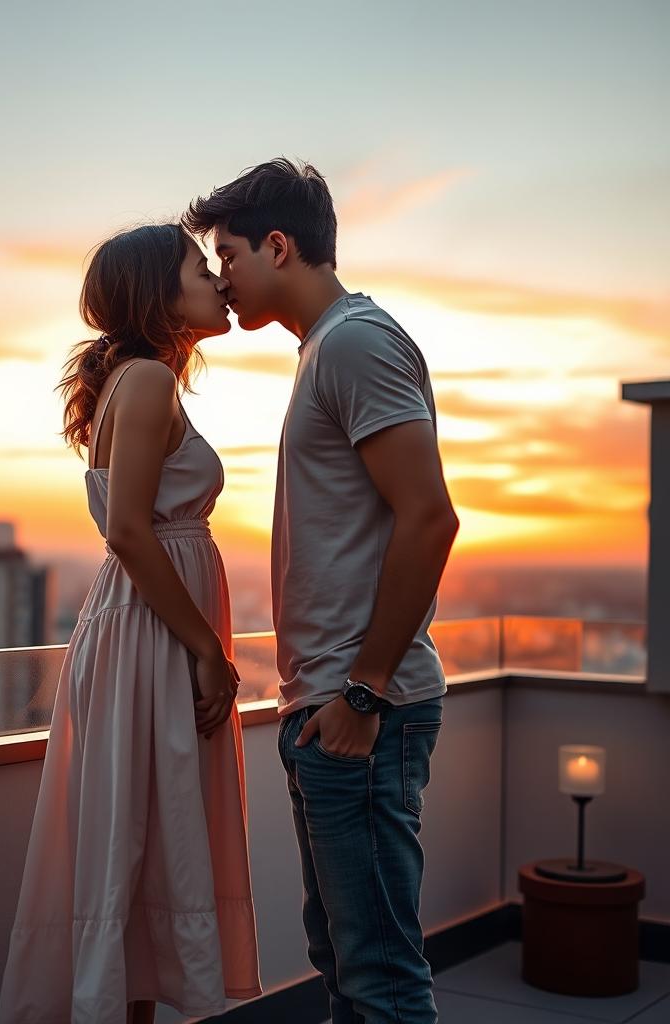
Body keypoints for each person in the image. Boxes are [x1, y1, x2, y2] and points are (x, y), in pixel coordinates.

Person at [184, 159, 459, 1024]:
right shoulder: (324, 350)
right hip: (331, 708)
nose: (222, 276)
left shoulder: (354, 343)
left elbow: (430, 519)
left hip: (361, 710)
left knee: (379, 980)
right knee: (344, 967)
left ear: (278, 244)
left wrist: (363, 694)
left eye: (227, 253)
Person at [0, 223, 262, 1024]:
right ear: (157, 292)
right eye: (196, 267)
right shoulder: (144, 380)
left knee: (140, 846)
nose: (216, 279)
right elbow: (131, 532)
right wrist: (208, 652)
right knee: (138, 843)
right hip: (154, 632)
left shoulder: (145, 382)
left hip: (147, 627)